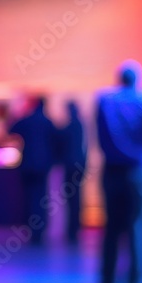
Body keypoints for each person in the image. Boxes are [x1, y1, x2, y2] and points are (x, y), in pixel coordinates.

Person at [95, 61, 142, 283]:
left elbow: (100, 134)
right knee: (139, 227)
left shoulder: (105, 100)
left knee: (112, 229)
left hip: (112, 171)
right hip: (140, 172)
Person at [9, 96, 60, 244]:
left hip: (28, 166)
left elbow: (11, 129)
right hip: (43, 166)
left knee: (29, 197)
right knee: (41, 199)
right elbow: (58, 142)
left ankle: (31, 230)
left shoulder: (27, 120)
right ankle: (39, 231)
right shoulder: (48, 122)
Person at [58, 101, 88, 244]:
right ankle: (74, 229)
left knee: (72, 199)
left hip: (71, 166)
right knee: (75, 198)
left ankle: (73, 230)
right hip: (78, 165)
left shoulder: (71, 126)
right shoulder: (80, 125)